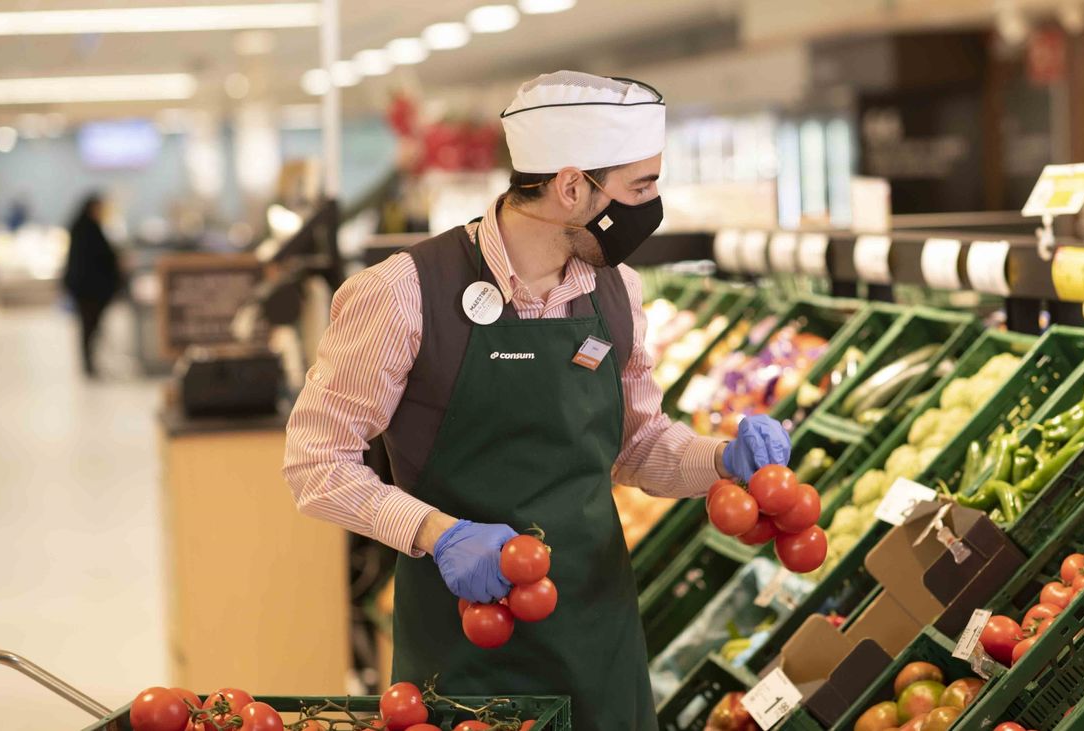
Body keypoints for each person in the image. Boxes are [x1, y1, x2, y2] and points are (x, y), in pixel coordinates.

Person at [283, 71, 791, 731]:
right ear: (573, 186)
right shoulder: (403, 292)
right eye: (641, 186)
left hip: (598, 631)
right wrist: (439, 534)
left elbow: (640, 446)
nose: (654, 203)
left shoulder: (618, 291)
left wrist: (723, 458)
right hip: (467, 640)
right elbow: (315, 462)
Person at [62, 193, 119, 378]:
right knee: (89, 327)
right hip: (88, 289)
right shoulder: (87, 231)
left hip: (88, 288)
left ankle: (90, 362)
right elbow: (97, 259)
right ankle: (88, 363)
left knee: (90, 327)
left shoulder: (86, 229)